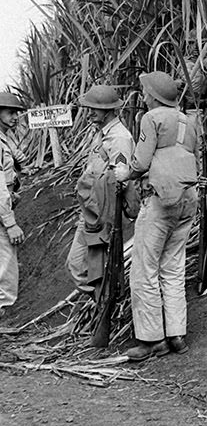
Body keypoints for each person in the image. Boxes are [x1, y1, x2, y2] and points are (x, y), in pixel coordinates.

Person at [116, 71, 199, 361]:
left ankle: (152, 339)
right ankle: (176, 334)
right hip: (188, 198)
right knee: (173, 267)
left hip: (161, 199)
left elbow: (140, 162)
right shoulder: (189, 120)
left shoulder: (150, 118)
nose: (143, 96)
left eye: (145, 92)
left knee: (144, 268)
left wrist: (124, 174)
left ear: (153, 96)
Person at [67, 85, 133, 294]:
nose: (90, 112)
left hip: (102, 214)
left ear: (109, 110)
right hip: (91, 212)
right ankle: (103, 301)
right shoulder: (102, 134)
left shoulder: (119, 138)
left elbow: (120, 182)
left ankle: (106, 302)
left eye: (94, 108)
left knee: (83, 267)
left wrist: (107, 220)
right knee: (80, 267)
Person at [0, 93, 26, 318]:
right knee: (6, 267)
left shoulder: (5, 139)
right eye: (10, 112)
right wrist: (10, 223)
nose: (16, 117)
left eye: (17, 112)